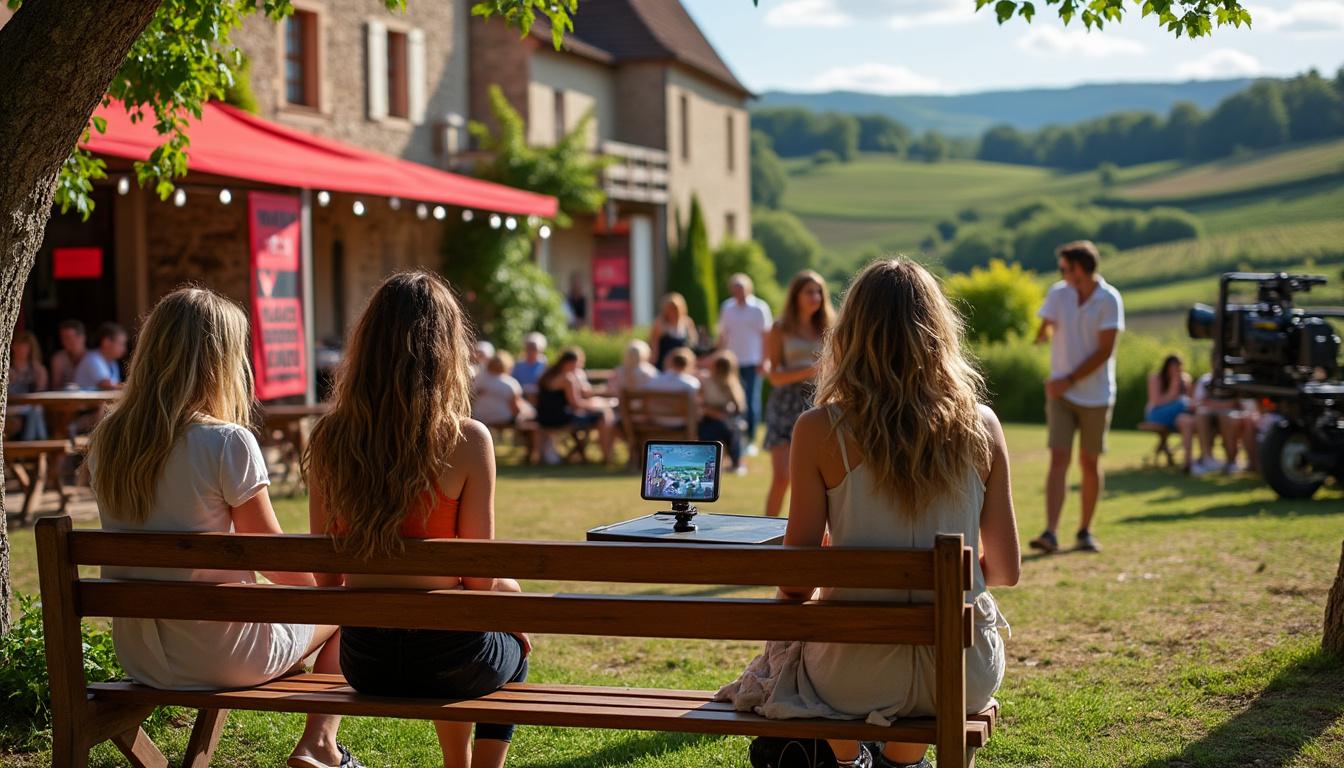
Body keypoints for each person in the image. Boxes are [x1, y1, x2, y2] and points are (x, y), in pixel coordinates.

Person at [717, 259, 1019, 768]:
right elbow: (1007, 569)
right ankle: (902, 763)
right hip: (963, 671)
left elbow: (796, 583)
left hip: (851, 674)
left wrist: (839, 569)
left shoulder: (817, 430)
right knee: (917, 674)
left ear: (850, 333)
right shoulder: (982, 425)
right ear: (939, 331)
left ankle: (850, 759)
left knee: (806, 647)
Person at [86, 288, 353, 768]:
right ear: (220, 360)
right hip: (223, 656)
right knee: (343, 605)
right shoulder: (226, 442)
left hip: (143, 656)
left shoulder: (109, 438)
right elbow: (275, 562)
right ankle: (320, 745)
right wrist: (328, 593)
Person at [305, 271, 528, 768]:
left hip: (366, 662)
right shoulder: (468, 440)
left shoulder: (329, 440)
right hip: (452, 662)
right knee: (513, 651)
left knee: (473, 632)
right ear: (447, 350)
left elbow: (327, 577)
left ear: (367, 346)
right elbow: (479, 579)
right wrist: (511, 599)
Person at [1029, 241, 1124, 554]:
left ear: (1080, 269)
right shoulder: (1059, 292)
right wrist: (1043, 330)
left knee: (1088, 462)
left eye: (1064, 268)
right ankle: (1051, 533)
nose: (1061, 273)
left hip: (1095, 396)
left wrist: (1068, 379)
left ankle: (1084, 531)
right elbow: (1048, 316)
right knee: (1058, 458)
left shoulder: (1109, 300)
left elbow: (1104, 352)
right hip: (1060, 394)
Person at [763, 271, 833, 517]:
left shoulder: (829, 327)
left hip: (818, 400)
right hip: (785, 402)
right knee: (782, 477)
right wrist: (809, 370)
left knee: (821, 480)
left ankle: (822, 537)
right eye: (809, 291)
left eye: (819, 292)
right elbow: (774, 376)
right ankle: (763, 538)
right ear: (796, 295)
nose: (815, 297)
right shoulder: (780, 328)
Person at [717, 274, 772, 455]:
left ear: (748, 288)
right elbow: (723, 335)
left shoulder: (759, 308)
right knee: (733, 401)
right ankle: (736, 438)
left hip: (753, 361)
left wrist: (765, 360)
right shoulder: (727, 307)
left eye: (740, 287)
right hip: (732, 363)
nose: (737, 291)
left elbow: (766, 336)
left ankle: (750, 439)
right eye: (735, 287)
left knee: (750, 400)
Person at [536, 348, 616, 464]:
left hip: (544, 417)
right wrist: (598, 404)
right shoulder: (567, 378)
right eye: (579, 363)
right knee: (603, 415)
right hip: (558, 419)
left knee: (600, 413)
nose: (581, 366)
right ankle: (606, 456)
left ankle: (599, 454)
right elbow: (576, 404)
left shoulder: (550, 374)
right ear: (570, 363)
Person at [699, 351, 747, 473]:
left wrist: (724, 414)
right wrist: (716, 414)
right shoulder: (706, 381)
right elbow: (702, 405)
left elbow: (738, 407)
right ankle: (718, 462)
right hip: (709, 418)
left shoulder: (733, 384)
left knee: (731, 428)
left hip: (726, 419)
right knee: (720, 429)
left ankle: (735, 462)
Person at [471, 351, 535, 428]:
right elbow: (516, 409)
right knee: (531, 414)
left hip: (479, 417)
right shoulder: (510, 383)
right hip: (502, 419)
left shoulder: (478, 379)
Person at [7, 330, 49, 440]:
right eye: (18, 344)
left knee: (35, 410)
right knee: (35, 412)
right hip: (10, 407)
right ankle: (40, 444)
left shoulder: (38, 370)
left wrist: (39, 377)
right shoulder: (6, 369)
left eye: (24, 345)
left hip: (30, 406)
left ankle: (29, 443)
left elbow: (40, 394)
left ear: (30, 349)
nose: (20, 348)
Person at [646, 347, 701, 428]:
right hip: (680, 423)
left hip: (658, 420)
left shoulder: (655, 381)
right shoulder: (692, 384)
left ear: (671, 362)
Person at [649, 293, 698, 372]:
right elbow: (654, 348)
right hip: (665, 365)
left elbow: (693, 343)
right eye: (670, 308)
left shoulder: (687, 322)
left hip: (684, 364)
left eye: (675, 308)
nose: (673, 311)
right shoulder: (659, 324)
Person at [73, 321, 127, 391]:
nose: (124, 349)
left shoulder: (112, 362)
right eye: (120, 344)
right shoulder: (92, 359)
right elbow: (108, 385)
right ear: (106, 342)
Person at [1144, 354, 1190, 429]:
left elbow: (1190, 401)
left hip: (1179, 415)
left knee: (1187, 417)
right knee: (1182, 403)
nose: (1175, 371)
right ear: (1166, 368)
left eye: (1178, 368)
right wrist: (1173, 387)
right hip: (1156, 413)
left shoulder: (1185, 379)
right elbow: (1156, 402)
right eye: (1173, 368)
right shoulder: (1155, 378)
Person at [49, 318, 87, 390]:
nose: (64, 342)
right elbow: (55, 386)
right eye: (62, 338)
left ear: (82, 337)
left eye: (68, 338)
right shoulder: (58, 359)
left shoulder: (94, 359)